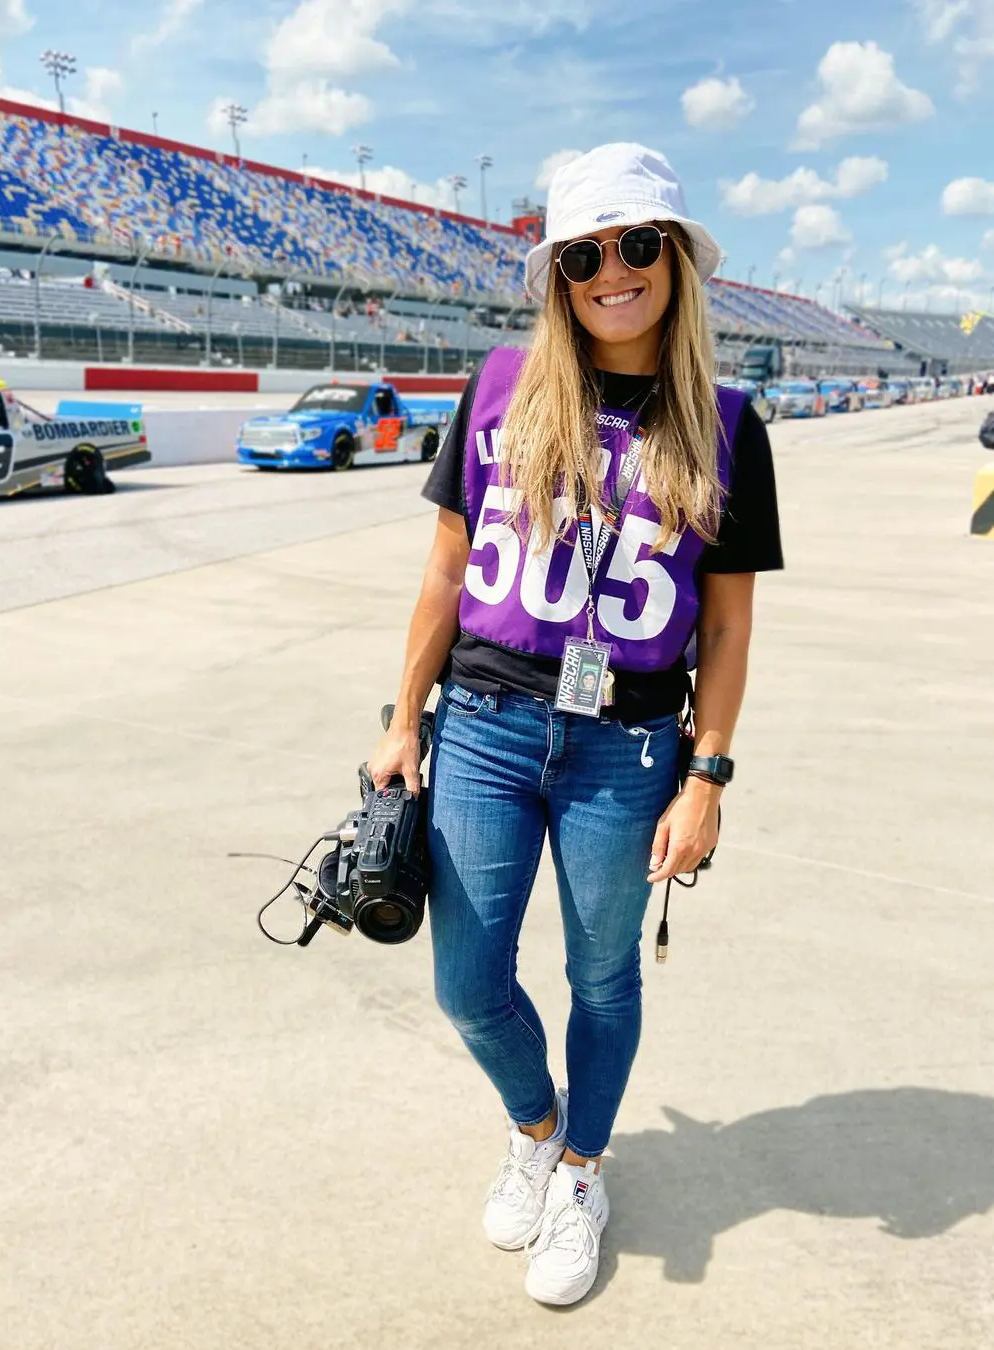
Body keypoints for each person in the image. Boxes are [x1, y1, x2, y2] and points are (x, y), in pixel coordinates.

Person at [370, 142, 783, 1305]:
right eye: (586, 253)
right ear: (559, 274)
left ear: (675, 263)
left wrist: (707, 779)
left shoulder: (728, 425)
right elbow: (446, 574)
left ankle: (586, 1173)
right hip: (489, 725)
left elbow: (730, 634)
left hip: (630, 744)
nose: (614, 272)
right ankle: (537, 1127)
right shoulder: (499, 385)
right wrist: (404, 720)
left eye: (638, 245)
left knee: (604, 979)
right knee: (467, 983)